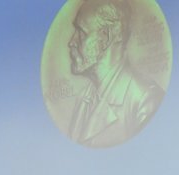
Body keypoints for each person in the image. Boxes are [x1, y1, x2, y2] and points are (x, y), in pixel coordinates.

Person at [67, 0, 164, 148]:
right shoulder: (83, 99)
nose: (71, 42)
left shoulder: (145, 101)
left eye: (81, 32)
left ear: (105, 38)